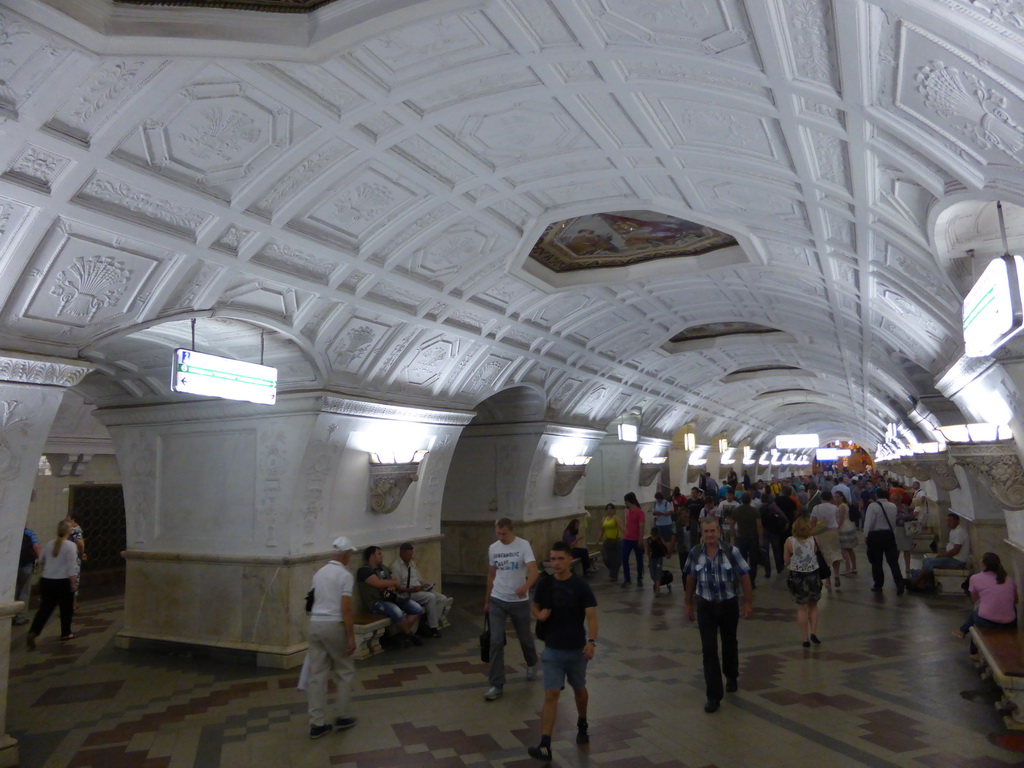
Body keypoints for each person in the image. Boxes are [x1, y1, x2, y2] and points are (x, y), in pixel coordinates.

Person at [527, 541, 598, 761]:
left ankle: (582, 722)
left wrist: (592, 641)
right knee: (551, 694)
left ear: (570, 560)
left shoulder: (580, 586)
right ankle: (545, 744)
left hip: (576, 650)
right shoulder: (546, 584)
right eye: (553, 559)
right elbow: (535, 605)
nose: (556, 563)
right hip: (553, 650)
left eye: (560, 559)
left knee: (579, 689)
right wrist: (538, 615)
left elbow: (591, 615)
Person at [684, 517, 753, 714]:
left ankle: (731, 674)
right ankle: (713, 695)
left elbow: (745, 576)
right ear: (701, 533)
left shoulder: (731, 552)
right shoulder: (696, 553)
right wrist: (688, 603)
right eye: (706, 532)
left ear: (719, 532)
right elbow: (690, 577)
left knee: (729, 642)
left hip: (728, 604)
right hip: (705, 604)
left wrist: (747, 602)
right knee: (709, 649)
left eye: (713, 531)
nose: (710, 535)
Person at [306, 536, 359, 739]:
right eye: (350, 554)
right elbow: (345, 608)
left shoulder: (319, 573)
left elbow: (309, 602)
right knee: (344, 670)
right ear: (345, 554)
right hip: (333, 624)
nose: (350, 558)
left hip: (315, 624)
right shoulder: (344, 575)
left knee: (317, 675)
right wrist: (351, 636)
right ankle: (342, 715)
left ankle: (317, 723)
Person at [484, 518, 539, 700]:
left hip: (519, 601)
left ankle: (531, 662)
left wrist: (526, 586)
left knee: (524, 638)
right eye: (498, 533)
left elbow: (534, 571)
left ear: (512, 530)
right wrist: (487, 600)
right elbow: (491, 575)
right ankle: (496, 684)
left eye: (504, 534)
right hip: (498, 599)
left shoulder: (523, 546)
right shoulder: (494, 548)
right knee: (496, 641)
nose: (501, 537)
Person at [356, 546, 424, 646]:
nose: (382, 556)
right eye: (379, 554)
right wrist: (391, 583)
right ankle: (410, 634)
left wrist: (392, 584)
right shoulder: (364, 571)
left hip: (392, 597)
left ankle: (401, 635)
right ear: (372, 556)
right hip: (376, 601)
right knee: (397, 612)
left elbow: (395, 580)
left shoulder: (383, 568)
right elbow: (377, 583)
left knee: (417, 608)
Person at [25, 520, 78, 648]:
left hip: (47, 581)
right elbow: (72, 566)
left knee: (45, 609)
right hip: (62, 582)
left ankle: (33, 632)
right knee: (66, 609)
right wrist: (73, 583)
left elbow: (41, 560)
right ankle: (66, 633)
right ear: (68, 531)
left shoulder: (49, 543)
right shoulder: (70, 545)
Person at [954, 552, 1016, 655]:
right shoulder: (1009, 579)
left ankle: (974, 652)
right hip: (1009, 622)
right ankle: (962, 631)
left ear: (983, 564)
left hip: (987, 621)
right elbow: (1015, 600)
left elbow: (975, 599)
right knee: (1010, 609)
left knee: (976, 612)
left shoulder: (975, 578)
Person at [390, 543, 448, 638]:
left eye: (411, 554)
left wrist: (427, 585)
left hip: (419, 589)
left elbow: (419, 579)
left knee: (442, 598)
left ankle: (428, 625)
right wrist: (412, 589)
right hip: (407, 593)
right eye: (409, 555)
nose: (411, 557)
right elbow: (397, 587)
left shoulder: (411, 563)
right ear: (402, 553)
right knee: (430, 597)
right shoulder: (396, 567)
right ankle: (433, 628)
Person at [784, 517, 823, 648]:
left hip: (797, 575)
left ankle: (805, 638)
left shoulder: (790, 541)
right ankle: (814, 632)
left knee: (801, 608)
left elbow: (786, 560)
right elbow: (816, 553)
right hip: (813, 574)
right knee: (813, 605)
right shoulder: (814, 540)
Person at [909, 513, 971, 591]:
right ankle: (923, 582)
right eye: (947, 521)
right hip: (952, 557)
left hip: (957, 560)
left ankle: (915, 583)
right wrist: (942, 554)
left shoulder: (960, 532)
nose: (948, 523)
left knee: (930, 563)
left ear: (957, 521)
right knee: (926, 560)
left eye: (950, 521)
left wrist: (942, 555)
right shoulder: (953, 530)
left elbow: (956, 550)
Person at [863, 490, 904, 594]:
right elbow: (893, 522)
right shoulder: (893, 506)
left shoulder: (873, 506)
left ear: (877, 496)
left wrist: (866, 535)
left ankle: (878, 585)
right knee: (893, 561)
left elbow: (869, 522)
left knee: (876, 562)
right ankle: (899, 582)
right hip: (889, 535)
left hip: (875, 536)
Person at [728, 492, 762, 589]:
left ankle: (744, 580)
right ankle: (752, 581)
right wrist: (761, 538)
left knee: (742, 560)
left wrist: (734, 535)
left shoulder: (736, 510)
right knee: (753, 560)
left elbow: (731, 524)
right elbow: (759, 525)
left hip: (741, 537)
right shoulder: (755, 510)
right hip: (753, 537)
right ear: (750, 500)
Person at [809, 491, 842, 590]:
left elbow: (812, 522)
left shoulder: (816, 508)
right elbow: (838, 520)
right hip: (833, 532)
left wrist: (812, 532)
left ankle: (828, 580)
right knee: (835, 554)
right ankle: (836, 574)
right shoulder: (835, 508)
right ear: (831, 498)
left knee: (823, 556)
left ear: (821, 498)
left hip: (820, 534)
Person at [759, 491, 789, 577]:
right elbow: (783, 516)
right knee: (776, 550)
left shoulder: (760, 509)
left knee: (766, 552)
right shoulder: (774, 507)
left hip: (765, 532)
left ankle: (767, 571)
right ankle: (779, 567)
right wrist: (786, 523)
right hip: (774, 531)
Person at [14, 527, 40, 626]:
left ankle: (12, 615)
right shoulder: (30, 533)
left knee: (15, 590)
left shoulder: (14, 531)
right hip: (27, 566)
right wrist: (39, 559)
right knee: (24, 591)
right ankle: (20, 618)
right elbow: (36, 547)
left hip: (14, 566)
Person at [621, 492, 645, 588]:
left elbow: (641, 527)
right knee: (624, 558)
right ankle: (627, 579)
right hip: (627, 538)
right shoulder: (627, 512)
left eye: (626, 501)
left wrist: (640, 539)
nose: (625, 503)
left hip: (636, 539)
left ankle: (639, 578)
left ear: (629, 501)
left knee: (639, 559)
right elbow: (628, 525)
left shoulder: (640, 512)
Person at [597, 503, 622, 581]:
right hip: (607, 541)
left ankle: (614, 575)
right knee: (606, 559)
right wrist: (598, 539)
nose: (609, 510)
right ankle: (613, 572)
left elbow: (622, 527)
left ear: (614, 510)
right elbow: (602, 530)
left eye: (611, 508)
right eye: (607, 509)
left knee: (616, 559)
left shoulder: (616, 518)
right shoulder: (604, 519)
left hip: (616, 541)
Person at [836, 492, 857, 575]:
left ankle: (848, 567)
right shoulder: (844, 505)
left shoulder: (842, 506)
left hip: (844, 527)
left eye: (837, 497)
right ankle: (854, 567)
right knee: (850, 549)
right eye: (835, 497)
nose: (836, 499)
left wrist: (837, 528)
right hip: (849, 526)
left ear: (842, 497)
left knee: (844, 549)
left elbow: (841, 518)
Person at [645, 527, 669, 595]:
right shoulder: (649, 540)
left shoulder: (659, 539)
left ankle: (658, 588)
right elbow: (647, 548)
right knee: (652, 574)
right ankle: (656, 584)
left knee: (658, 572)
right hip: (652, 558)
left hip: (659, 558)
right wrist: (648, 554)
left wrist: (666, 553)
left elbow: (664, 546)